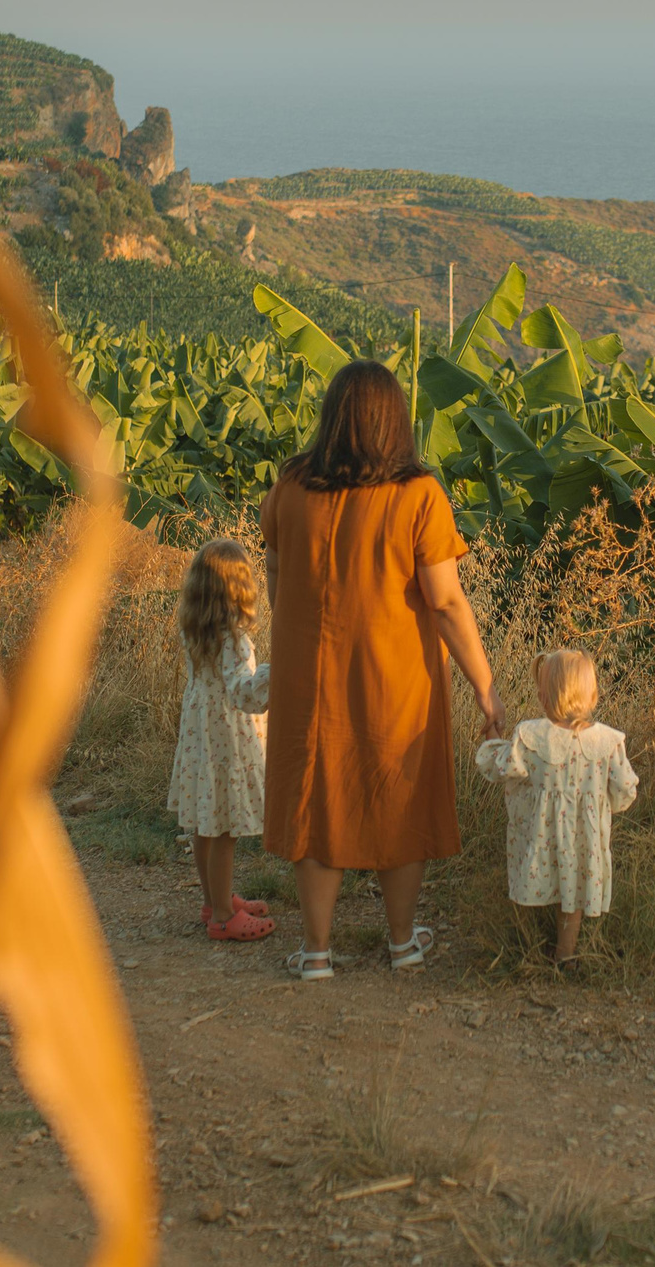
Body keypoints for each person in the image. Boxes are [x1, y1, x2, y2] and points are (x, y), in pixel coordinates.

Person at [261, 359, 505, 981]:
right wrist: (486, 688)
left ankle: (315, 952)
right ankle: (402, 944)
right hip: (395, 677)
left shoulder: (291, 485)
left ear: (333, 416)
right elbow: (446, 602)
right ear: (395, 419)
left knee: (318, 798)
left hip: (307, 675)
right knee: (398, 798)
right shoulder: (418, 494)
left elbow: (276, 574)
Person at [473, 648, 638, 966]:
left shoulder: (532, 736)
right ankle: (566, 953)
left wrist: (493, 734)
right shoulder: (608, 742)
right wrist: (602, 807)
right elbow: (625, 788)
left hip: (542, 837)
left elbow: (501, 766)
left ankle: (525, 939)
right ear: (592, 694)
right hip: (583, 844)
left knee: (542, 879)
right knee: (572, 894)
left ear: (545, 697)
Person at [168, 538, 275, 941]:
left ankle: (214, 901)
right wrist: (272, 671)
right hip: (226, 743)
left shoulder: (194, 630)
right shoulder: (233, 639)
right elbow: (243, 693)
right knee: (225, 828)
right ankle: (224, 917)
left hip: (201, 741)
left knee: (204, 824)